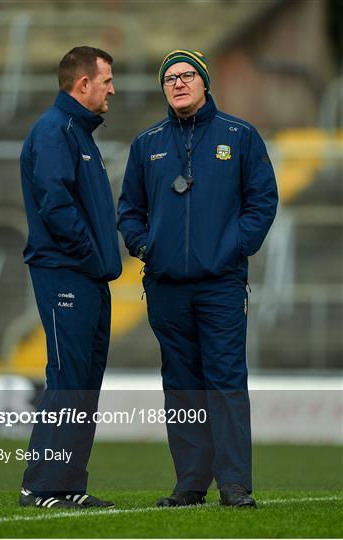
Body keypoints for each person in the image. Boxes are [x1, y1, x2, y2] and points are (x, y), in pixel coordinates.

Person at [118, 49, 278, 508]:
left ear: (205, 82)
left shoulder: (240, 135)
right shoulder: (147, 143)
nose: (179, 83)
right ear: (163, 89)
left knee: (225, 380)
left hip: (221, 285)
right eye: (170, 78)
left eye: (188, 75)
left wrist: (232, 248)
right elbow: (129, 210)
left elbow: (262, 201)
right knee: (181, 384)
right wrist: (147, 247)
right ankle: (190, 484)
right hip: (166, 286)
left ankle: (234, 484)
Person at [19, 46, 122, 509]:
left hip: (87, 277)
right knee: (68, 377)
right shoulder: (55, 132)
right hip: (67, 273)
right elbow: (55, 205)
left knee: (82, 380)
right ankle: (42, 487)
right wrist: (89, 256)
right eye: (107, 81)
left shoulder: (78, 134)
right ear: (84, 85)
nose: (112, 90)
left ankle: (67, 485)